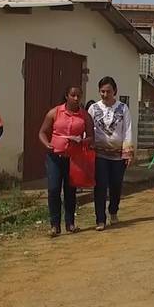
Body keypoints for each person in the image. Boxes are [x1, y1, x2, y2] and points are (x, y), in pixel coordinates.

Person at [38, 85, 94, 237]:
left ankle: (70, 223)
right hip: (55, 156)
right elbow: (42, 132)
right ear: (66, 96)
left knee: (71, 191)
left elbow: (91, 137)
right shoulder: (54, 112)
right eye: (73, 95)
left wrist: (82, 141)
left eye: (78, 96)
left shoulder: (85, 116)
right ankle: (54, 225)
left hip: (74, 158)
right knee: (54, 189)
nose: (76, 99)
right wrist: (47, 144)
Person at [87, 77, 133, 231]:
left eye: (108, 91)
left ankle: (113, 210)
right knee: (100, 186)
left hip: (118, 155)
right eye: (102, 91)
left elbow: (127, 130)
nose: (105, 94)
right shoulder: (93, 108)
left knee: (115, 185)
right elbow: (87, 129)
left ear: (115, 92)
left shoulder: (123, 108)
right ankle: (100, 219)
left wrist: (128, 153)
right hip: (99, 155)